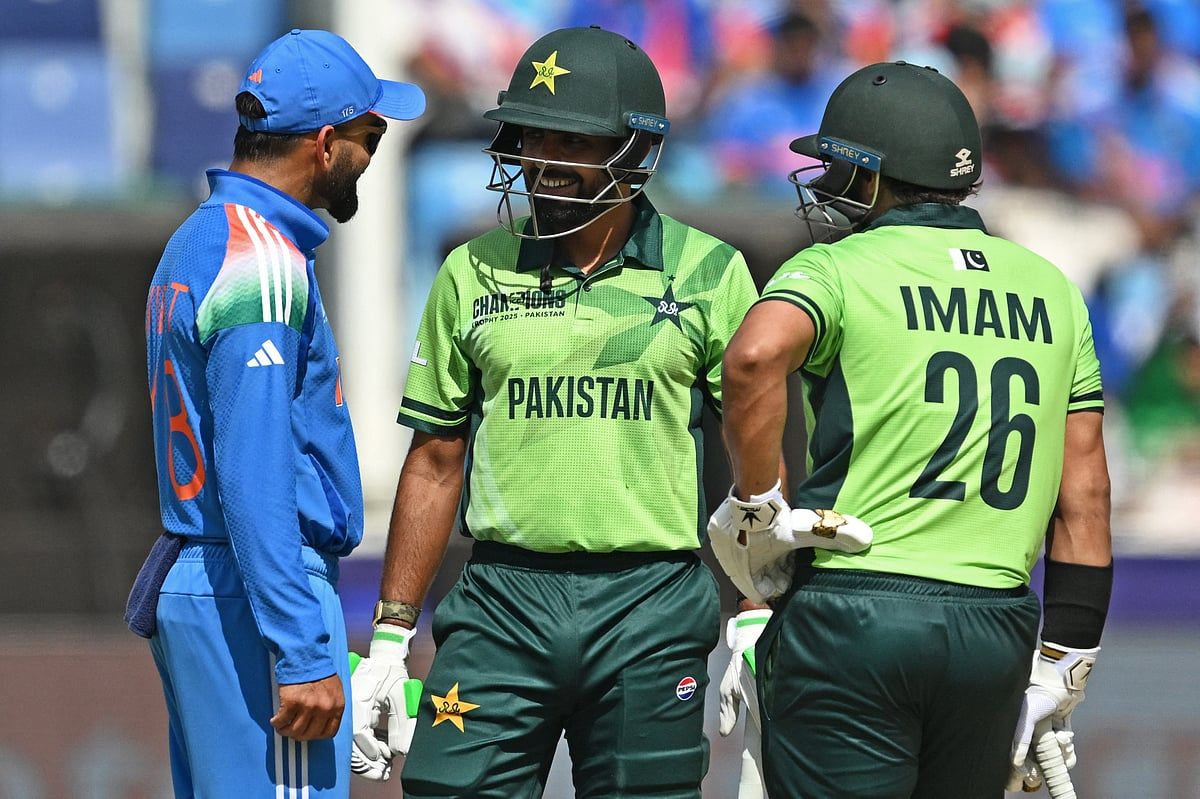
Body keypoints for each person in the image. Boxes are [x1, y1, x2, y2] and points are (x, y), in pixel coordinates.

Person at [348, 25, 759, 798]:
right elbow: (435, 458)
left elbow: (755, 454)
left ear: (636, 151)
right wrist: (392, 635)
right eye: (534, 136)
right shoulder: (470, 271)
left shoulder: (712, 272)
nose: (544, 161)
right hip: (503, 597)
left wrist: (758, 605)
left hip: (651, 601)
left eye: (573, 141)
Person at [711, 61, 1113, 797]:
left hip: (856, 608)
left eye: (837, 167)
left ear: (872, 174)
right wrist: (1068, 654)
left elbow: (753, 357)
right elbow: (1085, 496)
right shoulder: (1054, 288)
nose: (825, 183)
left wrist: (756, 504)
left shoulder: (837, 267)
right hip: (995, 621)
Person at [124, 29, 424, 798]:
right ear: (324, 144)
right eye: (369, 137)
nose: (372, 155)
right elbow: (252, 470)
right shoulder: (260, 261)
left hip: (214, 578)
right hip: (252, 593)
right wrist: (301, 647)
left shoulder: (199, 237)